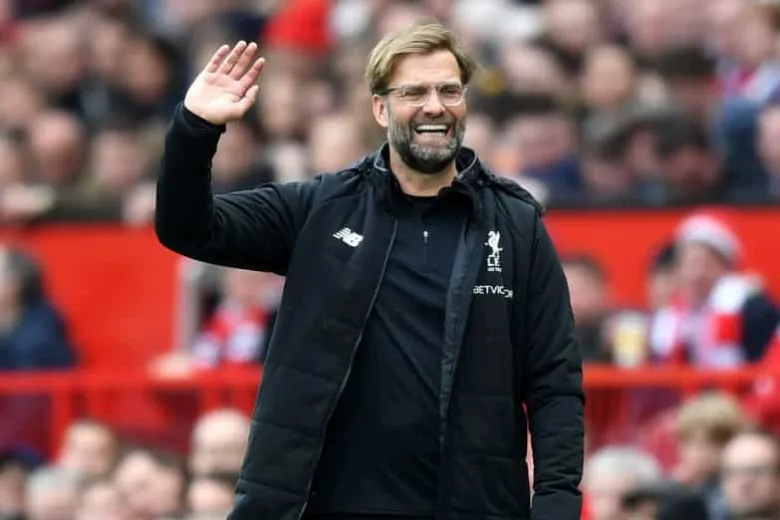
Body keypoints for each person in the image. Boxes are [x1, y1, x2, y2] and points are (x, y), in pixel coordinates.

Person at [155, 23, 585, 520]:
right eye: (414, 92)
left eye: (449, 91)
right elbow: (187, 228)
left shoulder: (517, 225)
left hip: (473, 506)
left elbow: (554, 381)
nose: (435, 106)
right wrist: (195, 128)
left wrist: (556, 504)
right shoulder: (322, 208)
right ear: (380, 108)